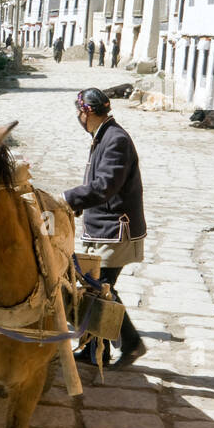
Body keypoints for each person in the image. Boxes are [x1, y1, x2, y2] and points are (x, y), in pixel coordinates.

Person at [63, 87, 147, 368]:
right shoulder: (102, 137)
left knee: (101, 288)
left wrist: (67, 199)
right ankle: (94, 350)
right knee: (93, 289)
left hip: (114, 231)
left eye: (79, 112)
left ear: (87, 111)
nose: (78, 117)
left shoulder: (116, 139)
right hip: (100, 228)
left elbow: (105, 186)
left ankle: (132, 343)